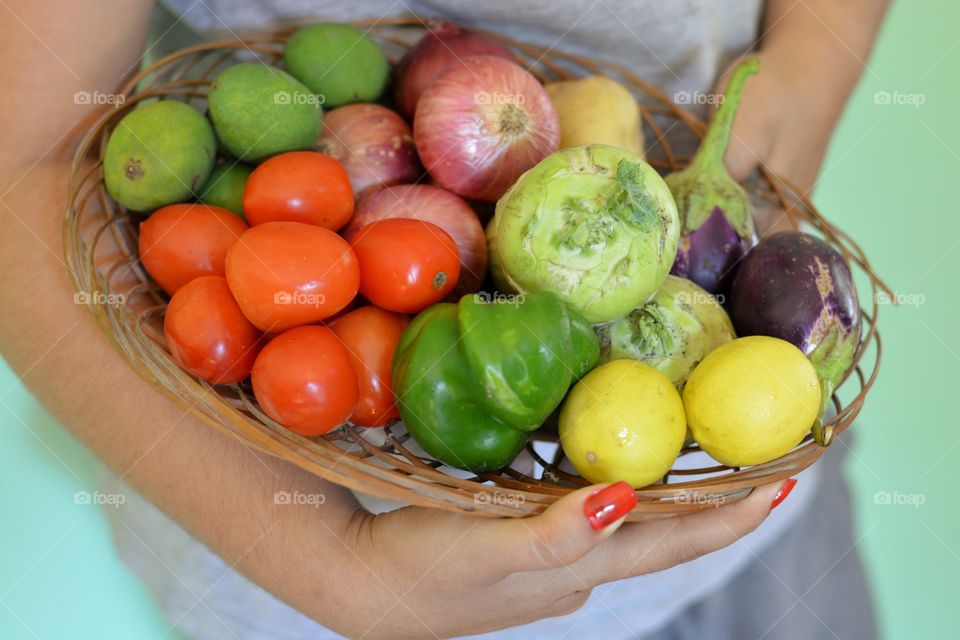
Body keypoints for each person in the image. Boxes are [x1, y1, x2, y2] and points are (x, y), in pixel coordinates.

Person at [0, 1, 888, 638]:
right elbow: (21, 174)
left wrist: (796, 90)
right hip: (276, 552)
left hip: (729, 524)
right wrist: (333, 565)